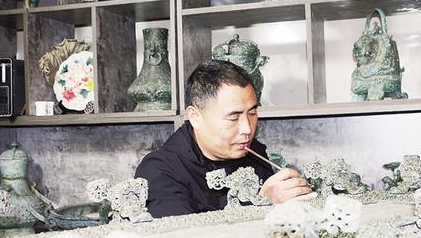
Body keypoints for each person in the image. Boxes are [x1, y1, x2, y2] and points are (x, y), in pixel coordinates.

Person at [135, 59, 315, 218]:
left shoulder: (253, 152)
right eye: (234, 117)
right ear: (195, 117)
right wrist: (261, 205)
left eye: (252, 113)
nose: (247, 129)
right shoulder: (160, 171)